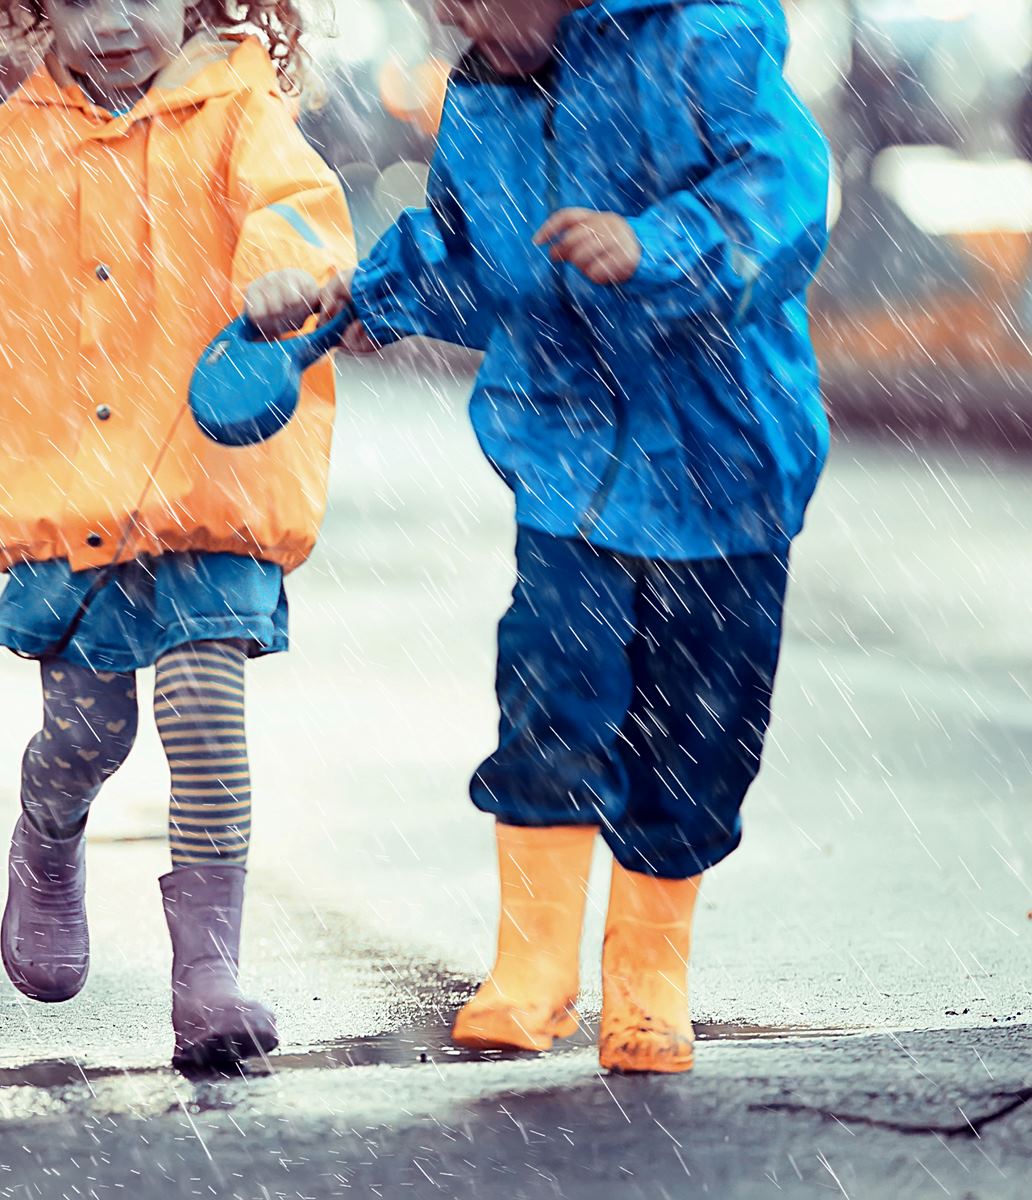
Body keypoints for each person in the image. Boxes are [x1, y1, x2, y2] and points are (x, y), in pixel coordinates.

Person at [254, 0, 830, 1073]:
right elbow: (474, 252)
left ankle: (651, 977)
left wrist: (655, 244)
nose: (457, 14)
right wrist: (367, 301)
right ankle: (532, 969)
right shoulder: (483, 93)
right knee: (552, 690)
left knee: (704, 730)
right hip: (570, 457)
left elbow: (784, 195)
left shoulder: (704, 42)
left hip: (726, 455)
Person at [0, 0, 355, 1067]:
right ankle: (47, 840)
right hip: (66, 500)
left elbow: (295, 207)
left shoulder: (239, 115)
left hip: (206, 485)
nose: (111, 24)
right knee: (89, 734)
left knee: (201, 713)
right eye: (80, 0)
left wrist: (284, 271)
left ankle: (208, 977)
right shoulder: (1, 153)